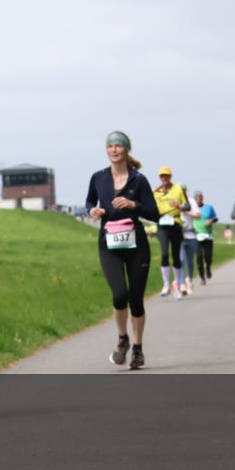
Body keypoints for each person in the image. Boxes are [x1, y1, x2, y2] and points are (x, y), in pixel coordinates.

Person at [87, 131, 159, 371]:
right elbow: (90, 202)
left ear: (127, 150)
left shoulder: (139, 180)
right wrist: (93, 211)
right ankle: (122, 338)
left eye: (119, 146)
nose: (114, 150)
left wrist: (133, 204)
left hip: (136, 244)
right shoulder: (98, 178)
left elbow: (154, 213)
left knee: (136, 300)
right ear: (107, 150)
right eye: (111, 146)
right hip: (109, 243)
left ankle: (137, 348)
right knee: (120, 294)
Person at [153, 166, 190, 300]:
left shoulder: (178, 189)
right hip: (162, 225)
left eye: (166, 175)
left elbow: (188, 206)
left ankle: (178, 286)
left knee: (176, 256)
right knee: (164, 253)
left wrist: (179, 206)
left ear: (170, 176)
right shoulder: (156, 192)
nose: (164, 178)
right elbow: (151, 208)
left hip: (175, 224)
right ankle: (166, 284)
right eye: (161, 176)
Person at [191, 190, 218, 285]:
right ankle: (202, 277)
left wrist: (211, 220)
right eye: (197, 198)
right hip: (196, 236)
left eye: (200, 197)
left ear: (202, 198)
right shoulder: (192, 209)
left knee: (208, 257)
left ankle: (208, 268)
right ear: (194, 199)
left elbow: (215, 218)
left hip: (208, 236)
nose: (199, 199)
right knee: (199, 257)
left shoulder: (209, 207)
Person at [179, 187, 198, 295]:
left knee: (190, 261)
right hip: (179, 235)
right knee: (180, 260)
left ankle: (189, 280)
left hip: (190, 234)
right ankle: (182, 284)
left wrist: (186, 211)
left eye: (183, 190)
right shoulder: (174, 200)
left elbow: (197, 215)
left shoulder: (191, 201)